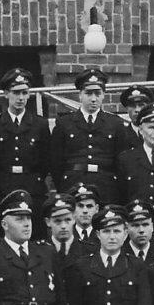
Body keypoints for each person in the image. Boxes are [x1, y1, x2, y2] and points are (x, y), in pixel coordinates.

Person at [0, 69, 51, 238]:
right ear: (6, 94)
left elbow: (46, 161)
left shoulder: (40, 124)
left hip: (32, 190)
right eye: (16, 93)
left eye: (25, 92)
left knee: (35, 237)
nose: (21, 98)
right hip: (3, 191)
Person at [50, 69, 127, 204]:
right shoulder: (64, 123)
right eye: (88, 93)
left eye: (97, 94)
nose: (93, 98)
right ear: (80, 95)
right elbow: (55, 162)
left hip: (106, 186)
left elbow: (121, 162)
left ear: (103, 95)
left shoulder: (115, 123)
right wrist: (64, 187)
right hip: (72, 185)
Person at [125, 199, 154, 263]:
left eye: (145, 225)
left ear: (152, 227)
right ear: (127, 228)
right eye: (136, 225)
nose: (141, 230)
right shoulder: (118, 256)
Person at [69, 183, 101, 254]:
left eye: (89, 206)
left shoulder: (103, 235)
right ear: (73, 209)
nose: (85, 211)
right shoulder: (67, 235)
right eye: (80, 206)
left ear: (97, 209)